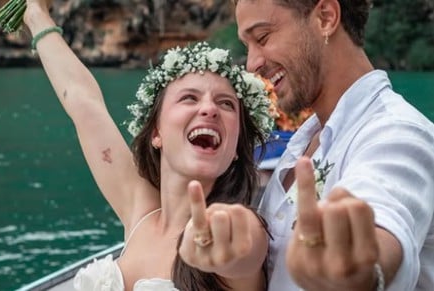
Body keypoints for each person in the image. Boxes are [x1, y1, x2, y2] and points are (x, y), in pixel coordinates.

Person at [21, 1, 276, 290]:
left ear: (234, 151)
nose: (210, 109)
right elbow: (83, 102)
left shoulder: (237, 230)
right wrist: (36, 15)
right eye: (189, 98)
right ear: (157, 133)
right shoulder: (139, 213)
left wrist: (238, 247)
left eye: (226, 103)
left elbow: (246, 252)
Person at [194, 0, 432, 290]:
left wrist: (356, 268)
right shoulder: (303, 142)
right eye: (248, 47)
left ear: (326, 17)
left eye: (263, 38)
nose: (252, 63)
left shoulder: (397, 134)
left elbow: (381, 226)